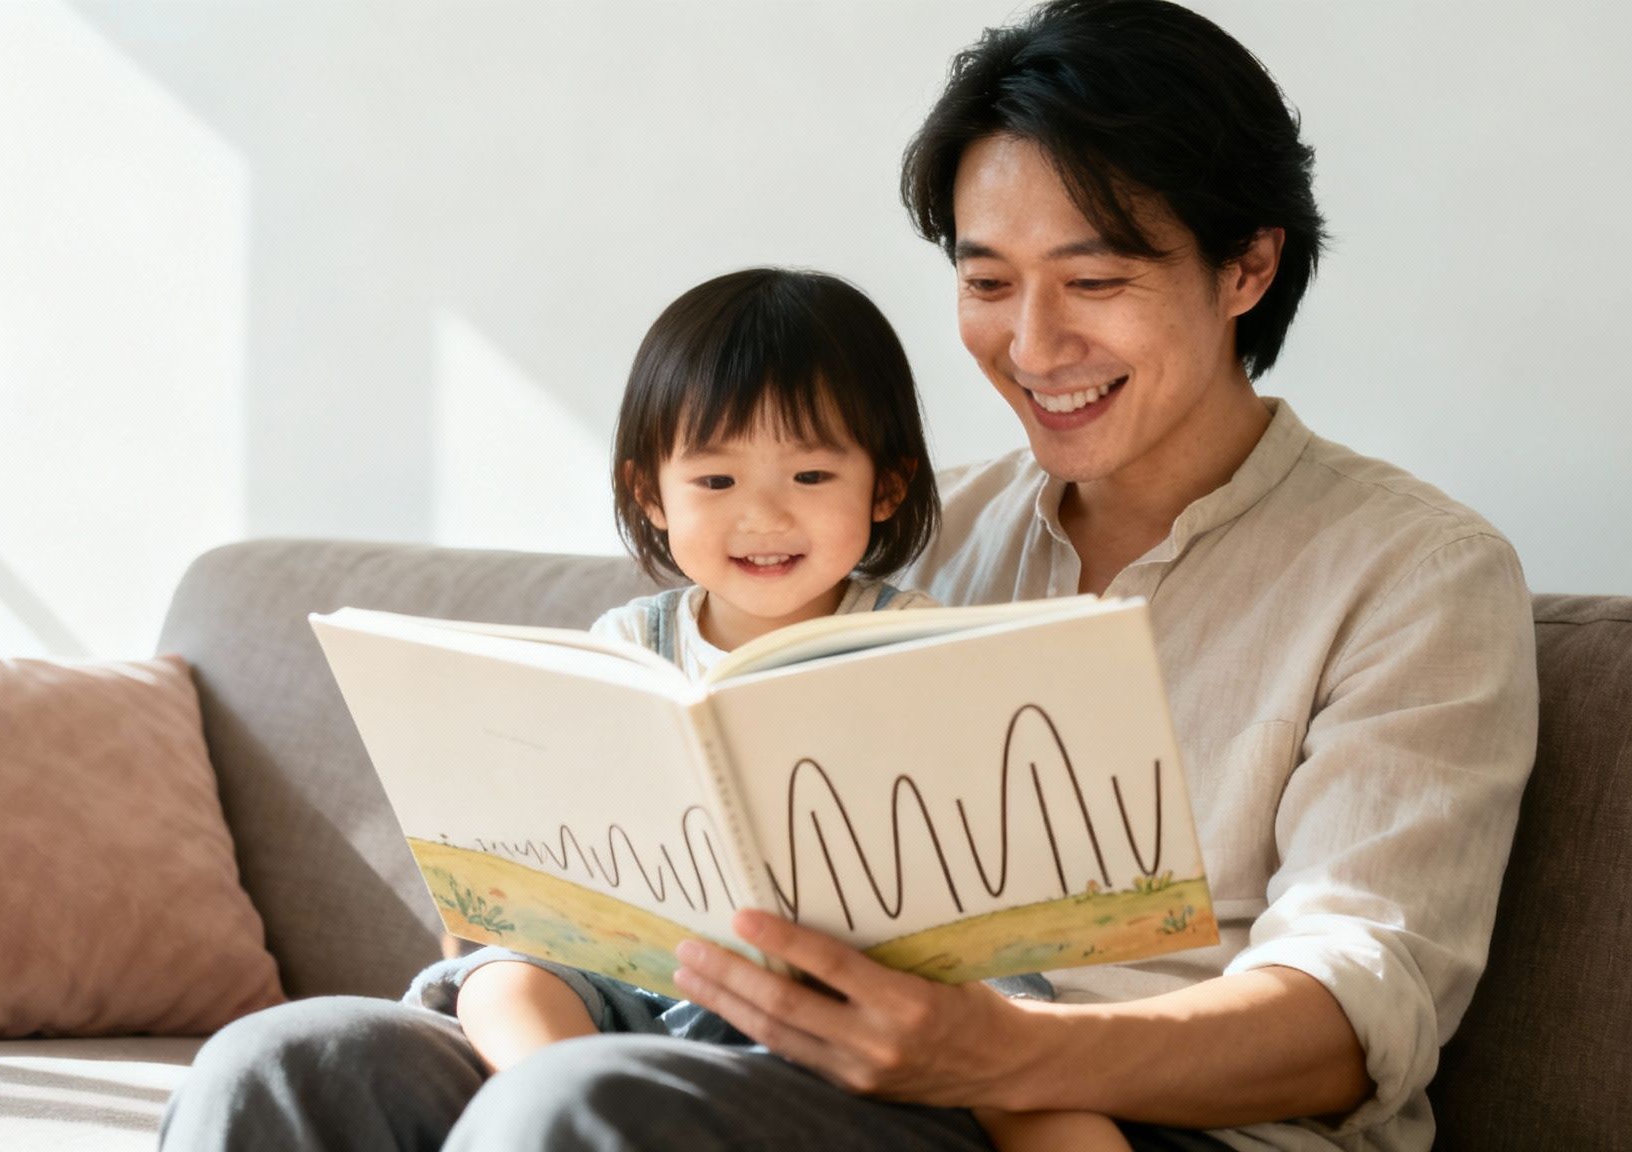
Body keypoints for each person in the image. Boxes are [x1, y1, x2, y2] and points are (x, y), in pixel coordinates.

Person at [159, 2, 1537, 1150]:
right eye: (988, 280)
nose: (1032, 340)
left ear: (1247, 266)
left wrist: (1003, 1050)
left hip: (1131, 1126)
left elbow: (1356, 1018)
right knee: (286, 1068)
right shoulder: (909, 536)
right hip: (796, 1062)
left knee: (578, 1112)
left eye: (1093, 278)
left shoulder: (1415, 576)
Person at [422, 265, 1138, 1152]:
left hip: (871, 977)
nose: (762, 517)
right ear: (652, 493)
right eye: (716, 483)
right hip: (647, 975)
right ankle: (551, 1100)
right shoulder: (625, 640)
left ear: (885, 488)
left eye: (807, 475)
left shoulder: (918, 642)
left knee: (1022, 1053)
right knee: (503, 977)